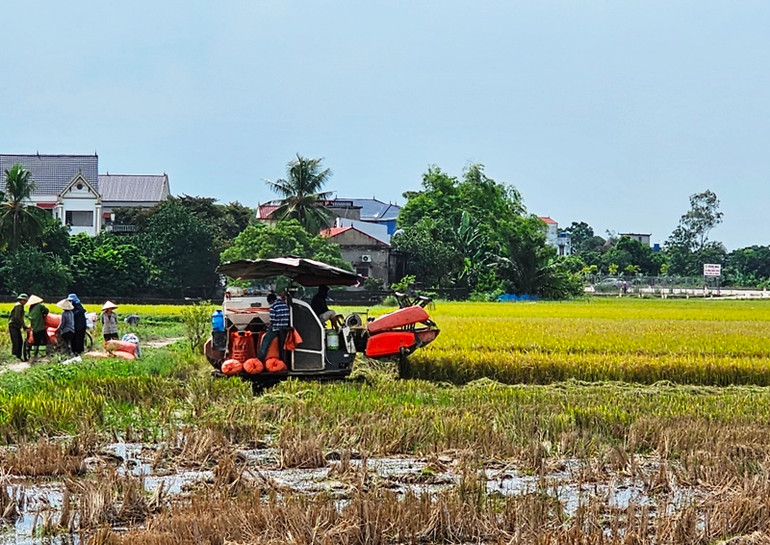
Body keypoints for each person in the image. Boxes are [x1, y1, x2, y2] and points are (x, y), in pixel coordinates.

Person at [258, 292, 291, 362]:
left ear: (271, 300)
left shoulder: (273, 307)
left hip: (275, 328)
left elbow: (272, 320)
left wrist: (267, 327)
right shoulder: (285, 305)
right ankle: (282, 361)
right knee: (281, 346)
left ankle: (260, 359)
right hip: (284, 328)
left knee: (265, 341)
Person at [27, 294, 49, 360]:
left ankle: (35, 355)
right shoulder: (40, 306)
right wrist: (43, 314)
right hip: (41, 328)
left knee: (36, 342)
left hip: (34, 329)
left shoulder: (31, 309)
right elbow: (46, 310)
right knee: (46, 340)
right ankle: (48, 354)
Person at [8, 293, 29, 360]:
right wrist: (23, 326)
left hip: (16, 325)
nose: (26, 302)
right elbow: (17, 317)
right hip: (14, 325)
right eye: (25, 300)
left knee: (19, 340)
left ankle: (18, 355)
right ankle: (16, 356)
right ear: (22, 300)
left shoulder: (20, 306)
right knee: (17, 341)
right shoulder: (18, 306)